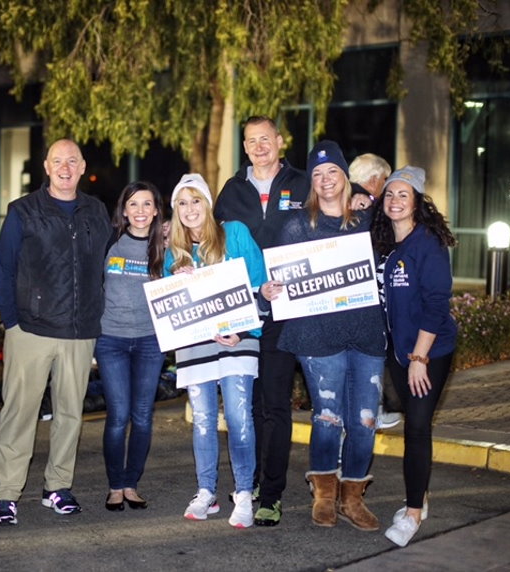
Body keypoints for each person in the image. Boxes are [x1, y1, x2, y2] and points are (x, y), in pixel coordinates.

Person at [261, 140, 386, 532]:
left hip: (366, 333)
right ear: (311, 183)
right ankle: (325, 493)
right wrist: (270, 291)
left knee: (365, 422)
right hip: (317, 338)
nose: (325, 179)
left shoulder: (366, 221)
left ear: (344, 177)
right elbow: (280, 279)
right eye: (317, 174)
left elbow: (399, 218)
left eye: (332, 171)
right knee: (328, 418)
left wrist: (368, 199)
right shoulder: (297, 227)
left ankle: (353, 496)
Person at [0, 139, 112, 526]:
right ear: (47, 166)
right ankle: (7, 495)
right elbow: (4, 271)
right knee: (19, 413)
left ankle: (57, 487)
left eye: (71, 161)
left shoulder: (96, 211)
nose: (64, 167)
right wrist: (12, 321)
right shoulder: (22, 211)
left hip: (80, 332)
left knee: (70, 415)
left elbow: (108, 264)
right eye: (58, 160)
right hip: (31, 329)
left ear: (81, 167)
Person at [214, 115, 309, 526]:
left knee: (275, 405)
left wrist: (360, 198)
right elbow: (209, 241)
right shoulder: (233, 191)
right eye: (251, 140)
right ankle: (247, 483)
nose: (258, 146)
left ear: (280, 141)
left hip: (289, 313)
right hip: (244, 312)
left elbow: (337, 198)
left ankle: (271, 494)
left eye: (265, 139)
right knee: (247, 407)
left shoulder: (304, 183)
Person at [165, 173, 265, 529]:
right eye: (182, 202)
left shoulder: (234, 233)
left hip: (239, 340)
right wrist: (178, 278)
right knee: (204, 421)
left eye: (196, 201)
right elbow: (170, 310)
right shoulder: (174, 253)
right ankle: (206, 491)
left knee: (238, 418)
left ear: (207, 203)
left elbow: (258, 282)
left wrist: (242, 330)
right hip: (197, 346)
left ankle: (242, 494)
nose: (190, 209)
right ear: (175, 210)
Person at [371, 166, 457, 547]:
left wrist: (420, 358)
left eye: (404, 195)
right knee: (412, 421)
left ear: (418, 202)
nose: (395, 201)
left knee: (417, 428)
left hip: (430, 352)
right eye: (389, 194)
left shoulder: (427, 243)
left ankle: (413, 513)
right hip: (399, 352)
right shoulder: (385, 243)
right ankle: (420, 495)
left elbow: (438, 305)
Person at [95, 181, 166, 512]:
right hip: (111, 340)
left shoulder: (165, 247)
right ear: (124, 210)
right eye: (133, 204)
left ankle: (131, 483)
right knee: (119, 415)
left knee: (142, 416)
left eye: (146, 204)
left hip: (151, 342)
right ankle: (114, 485)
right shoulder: (109, 242)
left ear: (155, 211)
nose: (140, 211)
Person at [348, 154, 402, 429]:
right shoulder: (366, 204)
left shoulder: (342, 199)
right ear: (373, 180)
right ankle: (373, 411)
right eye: (385, 180)